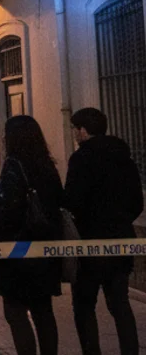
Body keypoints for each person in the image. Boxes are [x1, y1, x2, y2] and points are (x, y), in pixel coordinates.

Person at [66, 107, 143, 355]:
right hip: (121, 240)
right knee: (120, 303)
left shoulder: (80, 159)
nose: (75, 135)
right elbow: (136, 203)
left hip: (89, 242)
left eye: (75, 130)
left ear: (84, 131)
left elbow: (73, 201)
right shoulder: (124, 158)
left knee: (84, 305)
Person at [0, 116, 64, 355]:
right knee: (43, 311)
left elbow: (9, 208)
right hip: (45, 251)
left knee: (15, 311)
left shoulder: (13, 167)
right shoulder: (48, 166)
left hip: (17, 253)